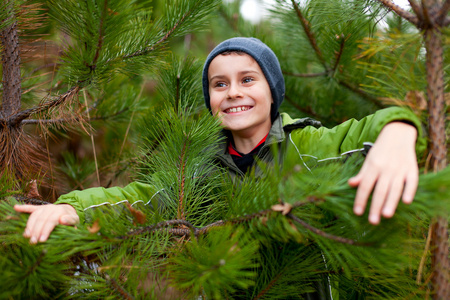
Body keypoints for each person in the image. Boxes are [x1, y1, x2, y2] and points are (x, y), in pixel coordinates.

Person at [14, 37, 424, 245]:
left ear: (273, 90)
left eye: (248, 79)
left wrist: (400, 132)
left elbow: (368, 129)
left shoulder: (307, 146)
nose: (232, 92)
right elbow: (135, 198)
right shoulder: (199, 169)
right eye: (219, 84)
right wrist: (72, 209)